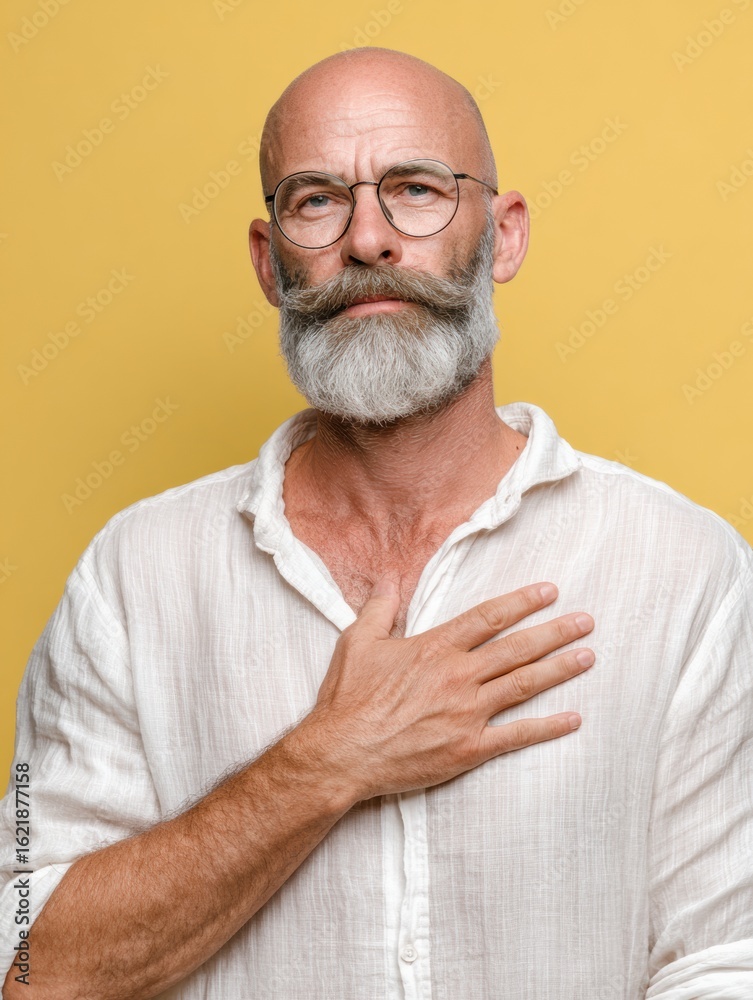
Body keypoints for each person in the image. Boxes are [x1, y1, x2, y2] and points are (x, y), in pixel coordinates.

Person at [1, 46, 752, 1000]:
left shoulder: (684, 568)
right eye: (316, 199)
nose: (368, 240)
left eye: (416, 189)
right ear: (269, 263)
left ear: (504, 235)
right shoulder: (130, 577)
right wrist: (326, 761)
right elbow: (24, 960)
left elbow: (727, 961)